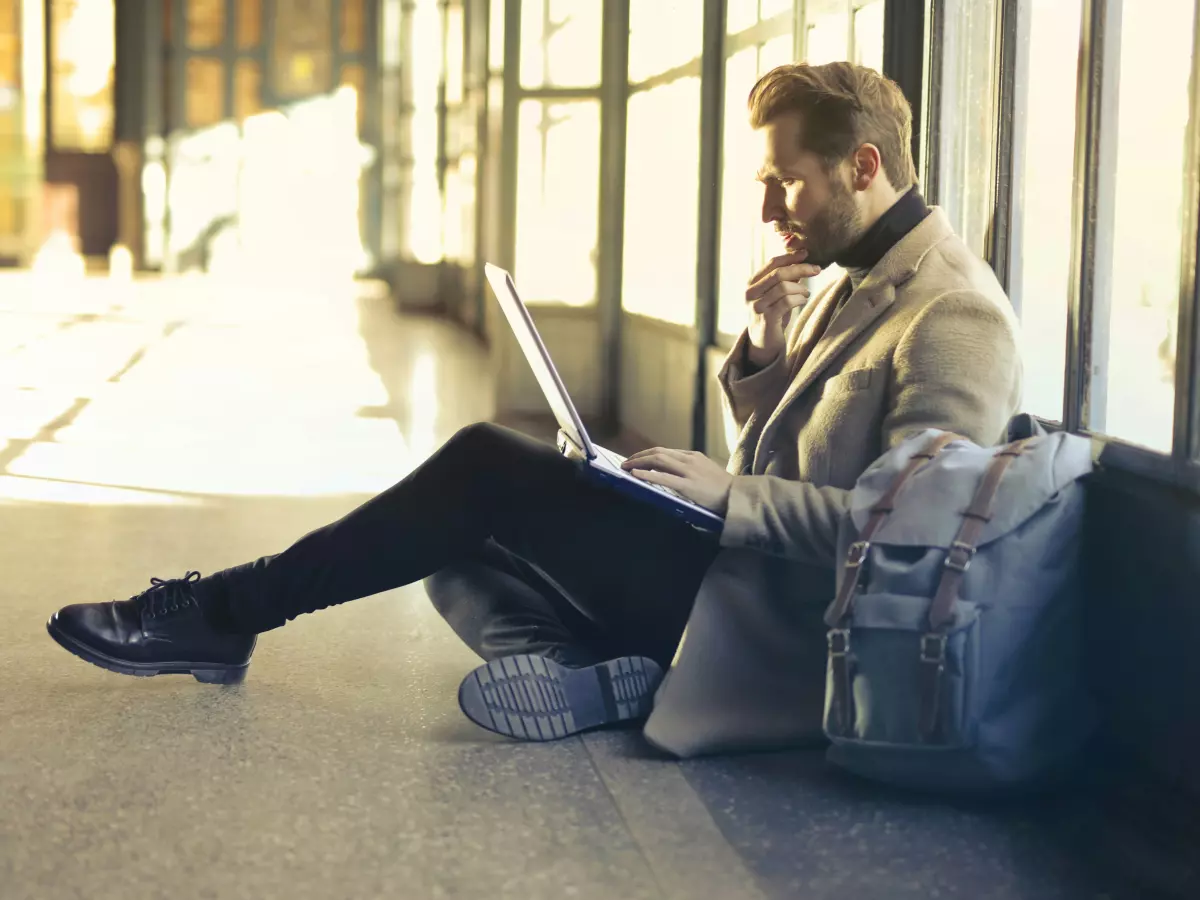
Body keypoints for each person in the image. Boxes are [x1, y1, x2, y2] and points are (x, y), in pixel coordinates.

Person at [45, 61, 1021, 746]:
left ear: (862, 166)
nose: (770, 212)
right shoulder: (853, 271)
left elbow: (917, 548)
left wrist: (729, 500)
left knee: (482, 466)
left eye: (787, 184)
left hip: (784, 629)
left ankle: (227, 610)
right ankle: (587, 673)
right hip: (732, 569)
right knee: (450, 543)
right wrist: (764, 355)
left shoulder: (953, 314)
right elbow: (797, 455)